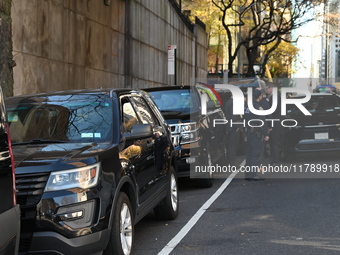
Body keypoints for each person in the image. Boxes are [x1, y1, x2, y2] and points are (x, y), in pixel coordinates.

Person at [244, 89, 269, 181]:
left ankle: (248, 174)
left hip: (249, 132)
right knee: (255, 154)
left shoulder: (247, 107)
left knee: (249, 154)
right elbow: (261, 121)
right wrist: (265, 134)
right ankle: (253, 174)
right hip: (256, 133)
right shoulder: (258, 107)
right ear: (260, 96)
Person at [266, 83, 284, 166]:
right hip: (279, 122)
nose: (267, 90)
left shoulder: (274, 98)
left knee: (274, 142)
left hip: (275, 123)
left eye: (267, 88)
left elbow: (272, 112)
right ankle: (277, 159)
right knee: (277, 142)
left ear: (271, 88)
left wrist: (270, 125)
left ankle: (275, 161)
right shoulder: (279, 96)